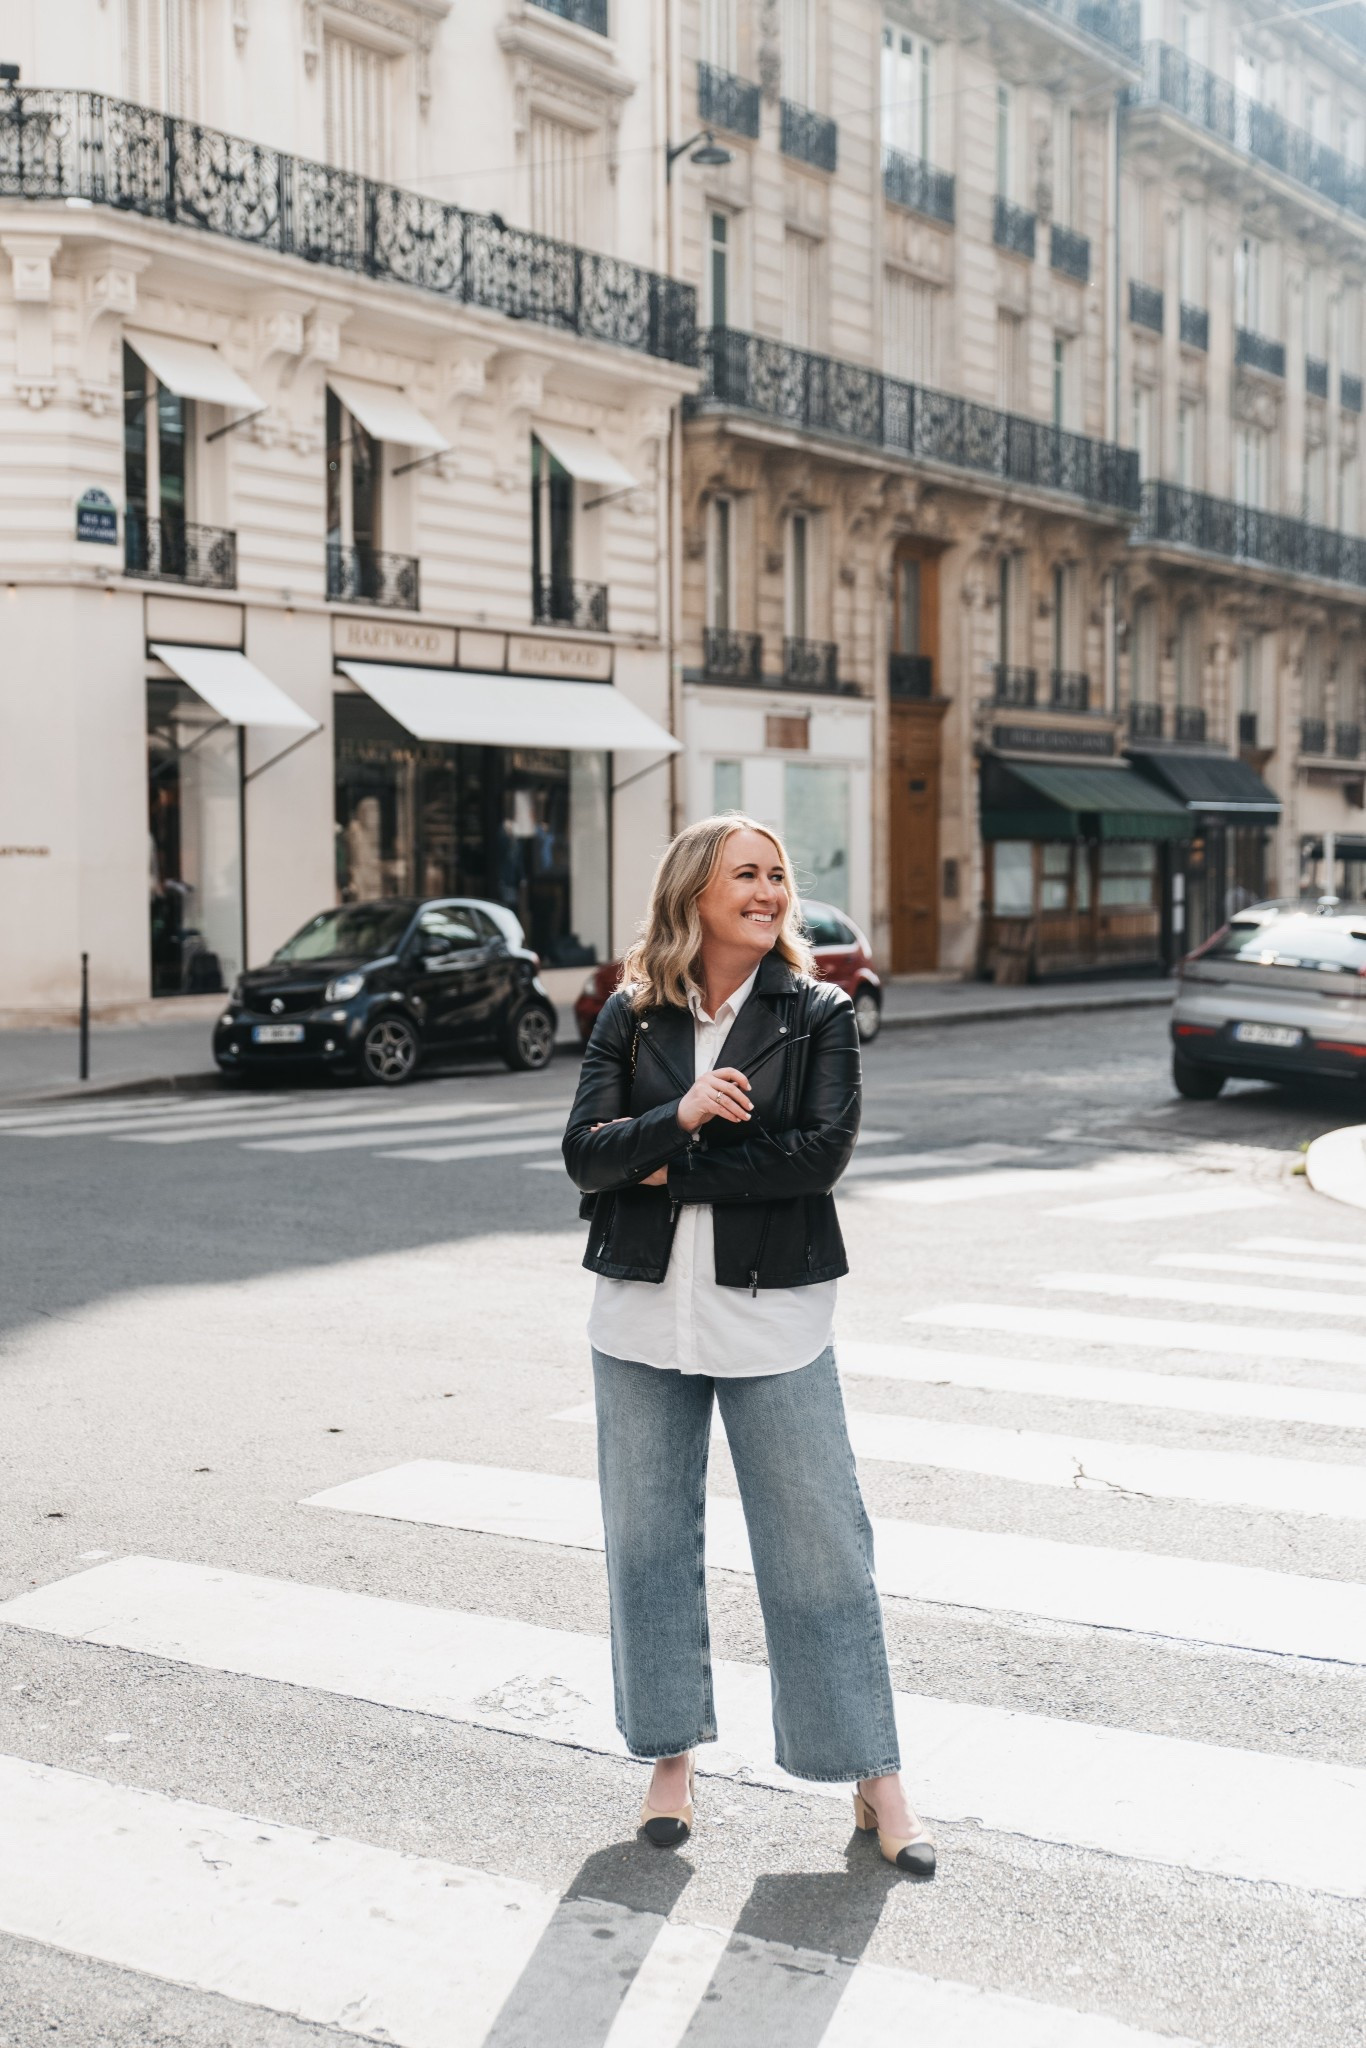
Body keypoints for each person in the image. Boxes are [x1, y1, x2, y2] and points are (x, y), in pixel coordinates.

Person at [561, 813, 934, 1877]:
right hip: (638, 1316)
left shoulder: (815, 1012)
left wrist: (670, 1170)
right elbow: (584, 1156)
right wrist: (679, 1113)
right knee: (646, 1548)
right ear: (694, 892)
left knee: (820, 1551)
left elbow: (817, 1157)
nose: (770, 890)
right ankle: (670, 1762)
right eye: (748, 874)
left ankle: (875, 1775)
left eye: (778, 874)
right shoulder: (633, 1017)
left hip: (773, 1317)